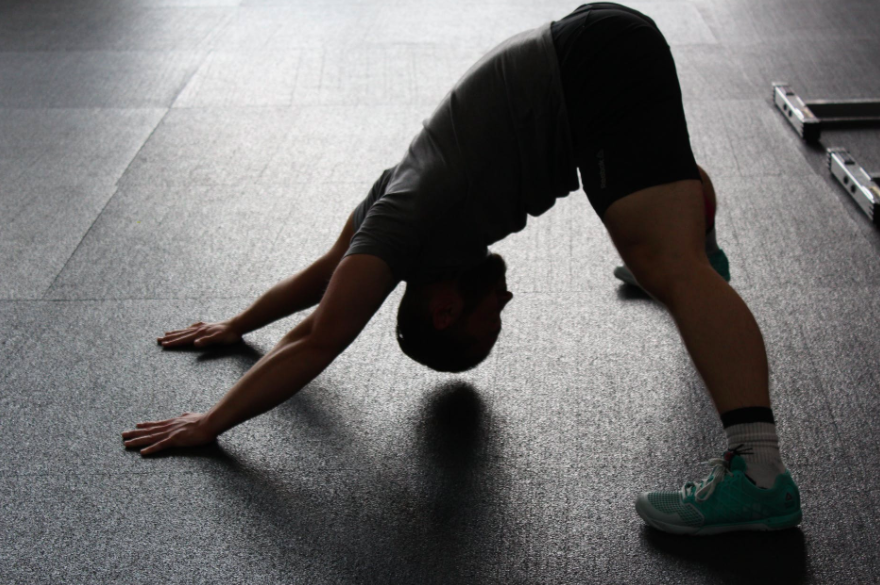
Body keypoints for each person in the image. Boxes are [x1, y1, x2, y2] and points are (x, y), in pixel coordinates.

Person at [123, 3, 802, 536]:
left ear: (443, 308)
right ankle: (695, 252)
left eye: (492, 314)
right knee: (654, 237)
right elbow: (325, 272)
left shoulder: (406, 222)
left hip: (590, 68)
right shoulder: (398, 212)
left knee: (668, 264)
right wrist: (238, 325)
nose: (506, 294)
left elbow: (319, 333)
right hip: (593, 52)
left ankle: (760, 473)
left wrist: (211, 421)